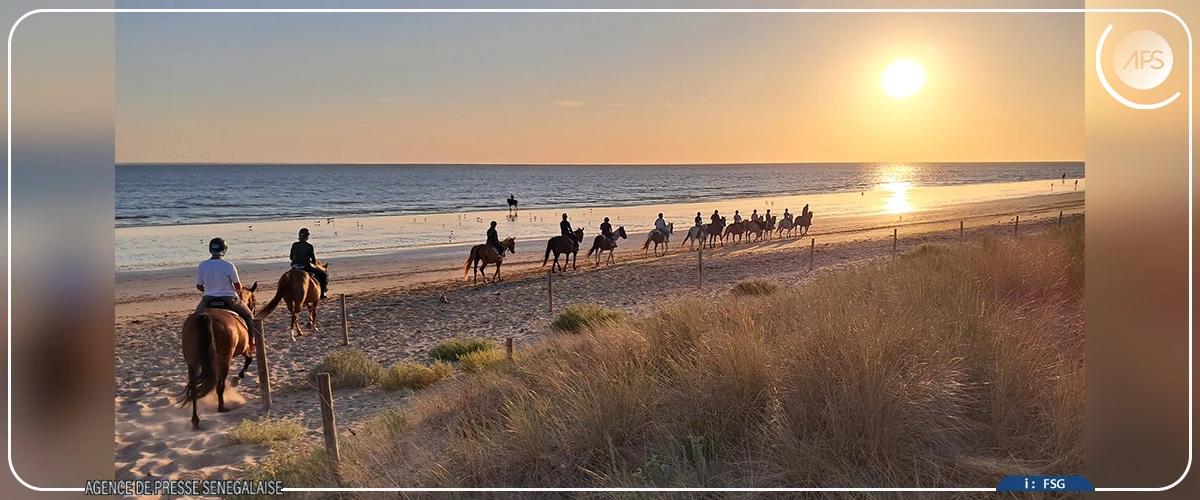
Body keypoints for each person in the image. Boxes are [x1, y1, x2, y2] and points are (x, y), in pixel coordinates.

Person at [195, 237, 254, 329]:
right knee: (249, 316)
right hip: (229, 298)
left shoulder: (202, 265)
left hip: (208, 298)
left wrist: (209, 290)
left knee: (195, 317)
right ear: (224, 250)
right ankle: (252, 341)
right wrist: (237, 290)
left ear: (210, 249)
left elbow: (199, 286)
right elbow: (238, 286)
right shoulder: (228, 265)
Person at [291, 228, 328, 300]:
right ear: (307, 236)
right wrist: (312, 263)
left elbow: (291, 257)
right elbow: (314, 260)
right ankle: (323, 293)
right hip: (305, 267)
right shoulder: (309, 246)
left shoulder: (294, 245)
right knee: (324, 275)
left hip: (294, 266)